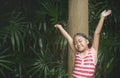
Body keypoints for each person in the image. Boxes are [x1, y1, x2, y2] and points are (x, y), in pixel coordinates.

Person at [54, 10, 111, 78]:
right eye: (75, 43)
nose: (78, 44)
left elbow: (97, 33)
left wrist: (102, 17)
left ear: (87, 41)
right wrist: (60, 27)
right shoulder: (77, 53)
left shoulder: (93, 52)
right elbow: (69, 38)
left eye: (80, 41)